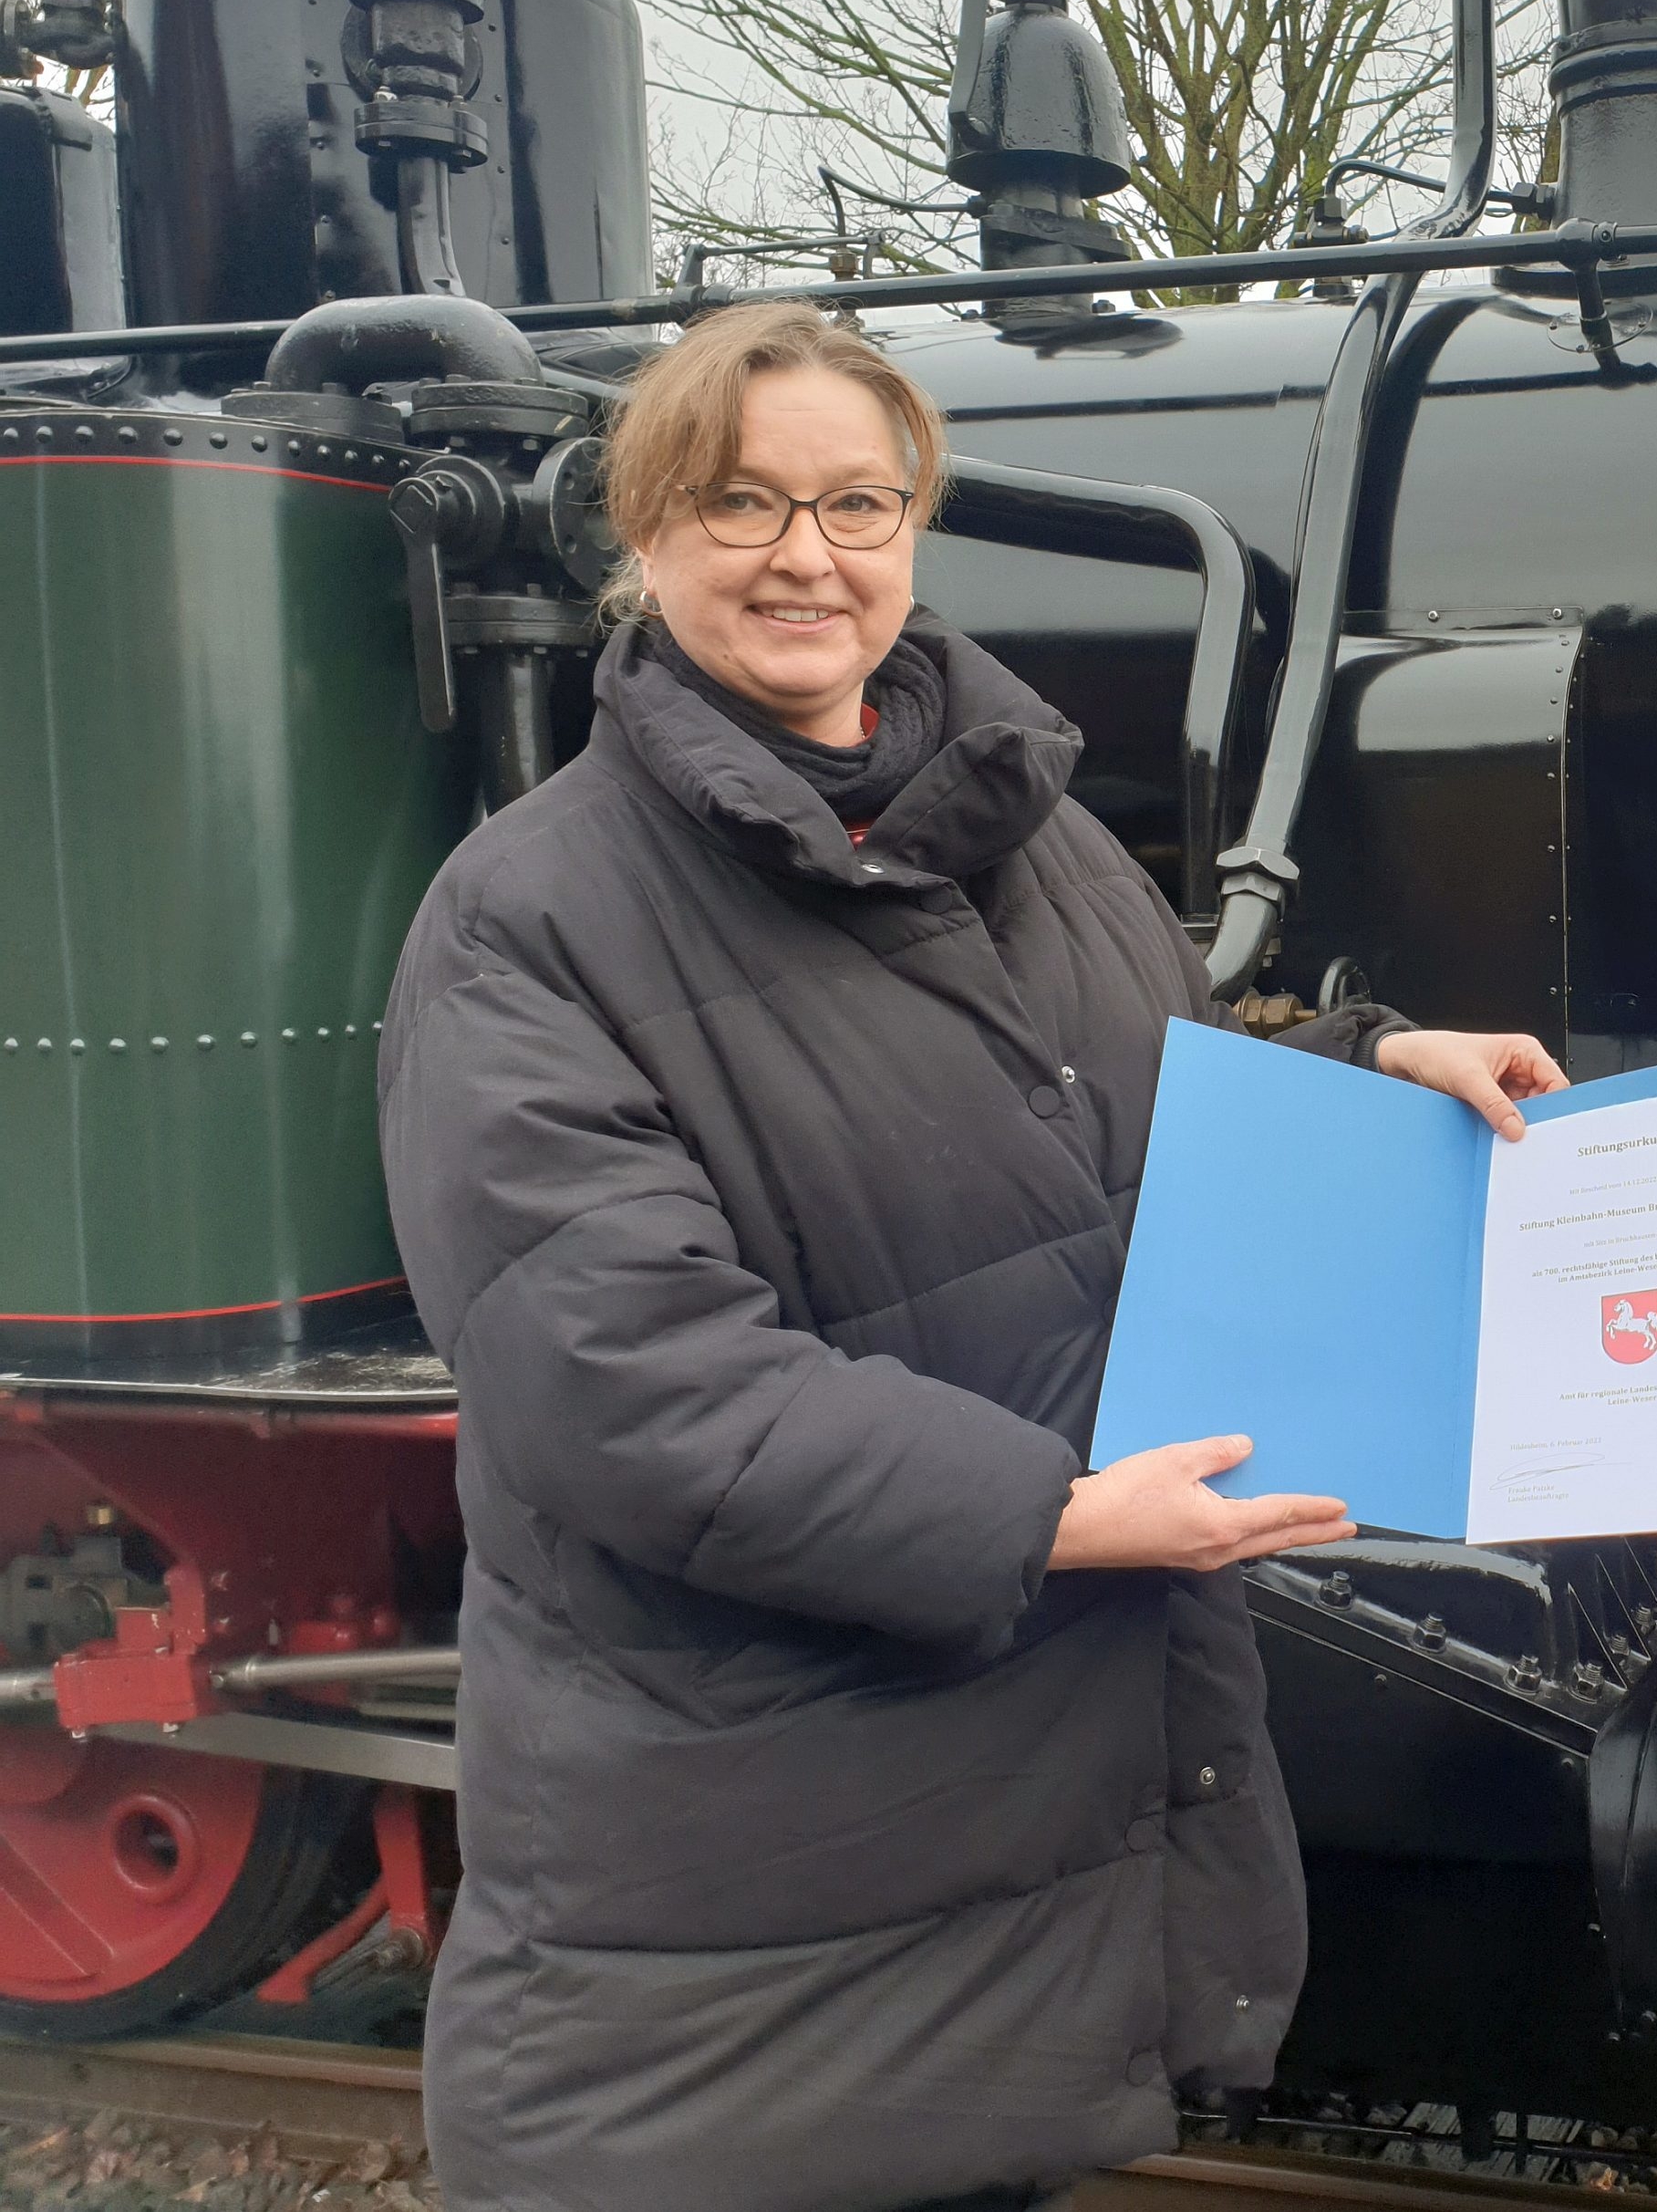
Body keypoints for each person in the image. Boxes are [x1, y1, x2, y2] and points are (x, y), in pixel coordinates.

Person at [377, 299, 1564, 2212]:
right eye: (742, 501)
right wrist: (1056, 1515)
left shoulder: (1039, 833)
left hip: (1023, 1801)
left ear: (914, 523)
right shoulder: (526, 919)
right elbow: (626, 1380)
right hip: (756, 1876)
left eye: (857, 500)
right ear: (645, 532)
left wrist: (1370, 1067)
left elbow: (1130, 1099)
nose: (806, 553)